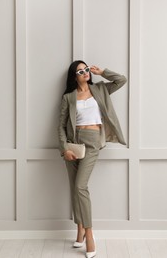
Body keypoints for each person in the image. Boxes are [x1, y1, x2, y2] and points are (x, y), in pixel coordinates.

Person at [58, 60, 127, 258]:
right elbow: (60, 125)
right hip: (73, 143)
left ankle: (89, 233)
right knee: (74, 188)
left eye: (86, 69)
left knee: (81, 186)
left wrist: (103, 71)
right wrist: (64, 149)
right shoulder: (69, 97)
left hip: (93, 141)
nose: (85, 72)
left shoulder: (100, 89)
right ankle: (79, 229)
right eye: (80, 71)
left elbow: (122, 80)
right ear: (74, 76)